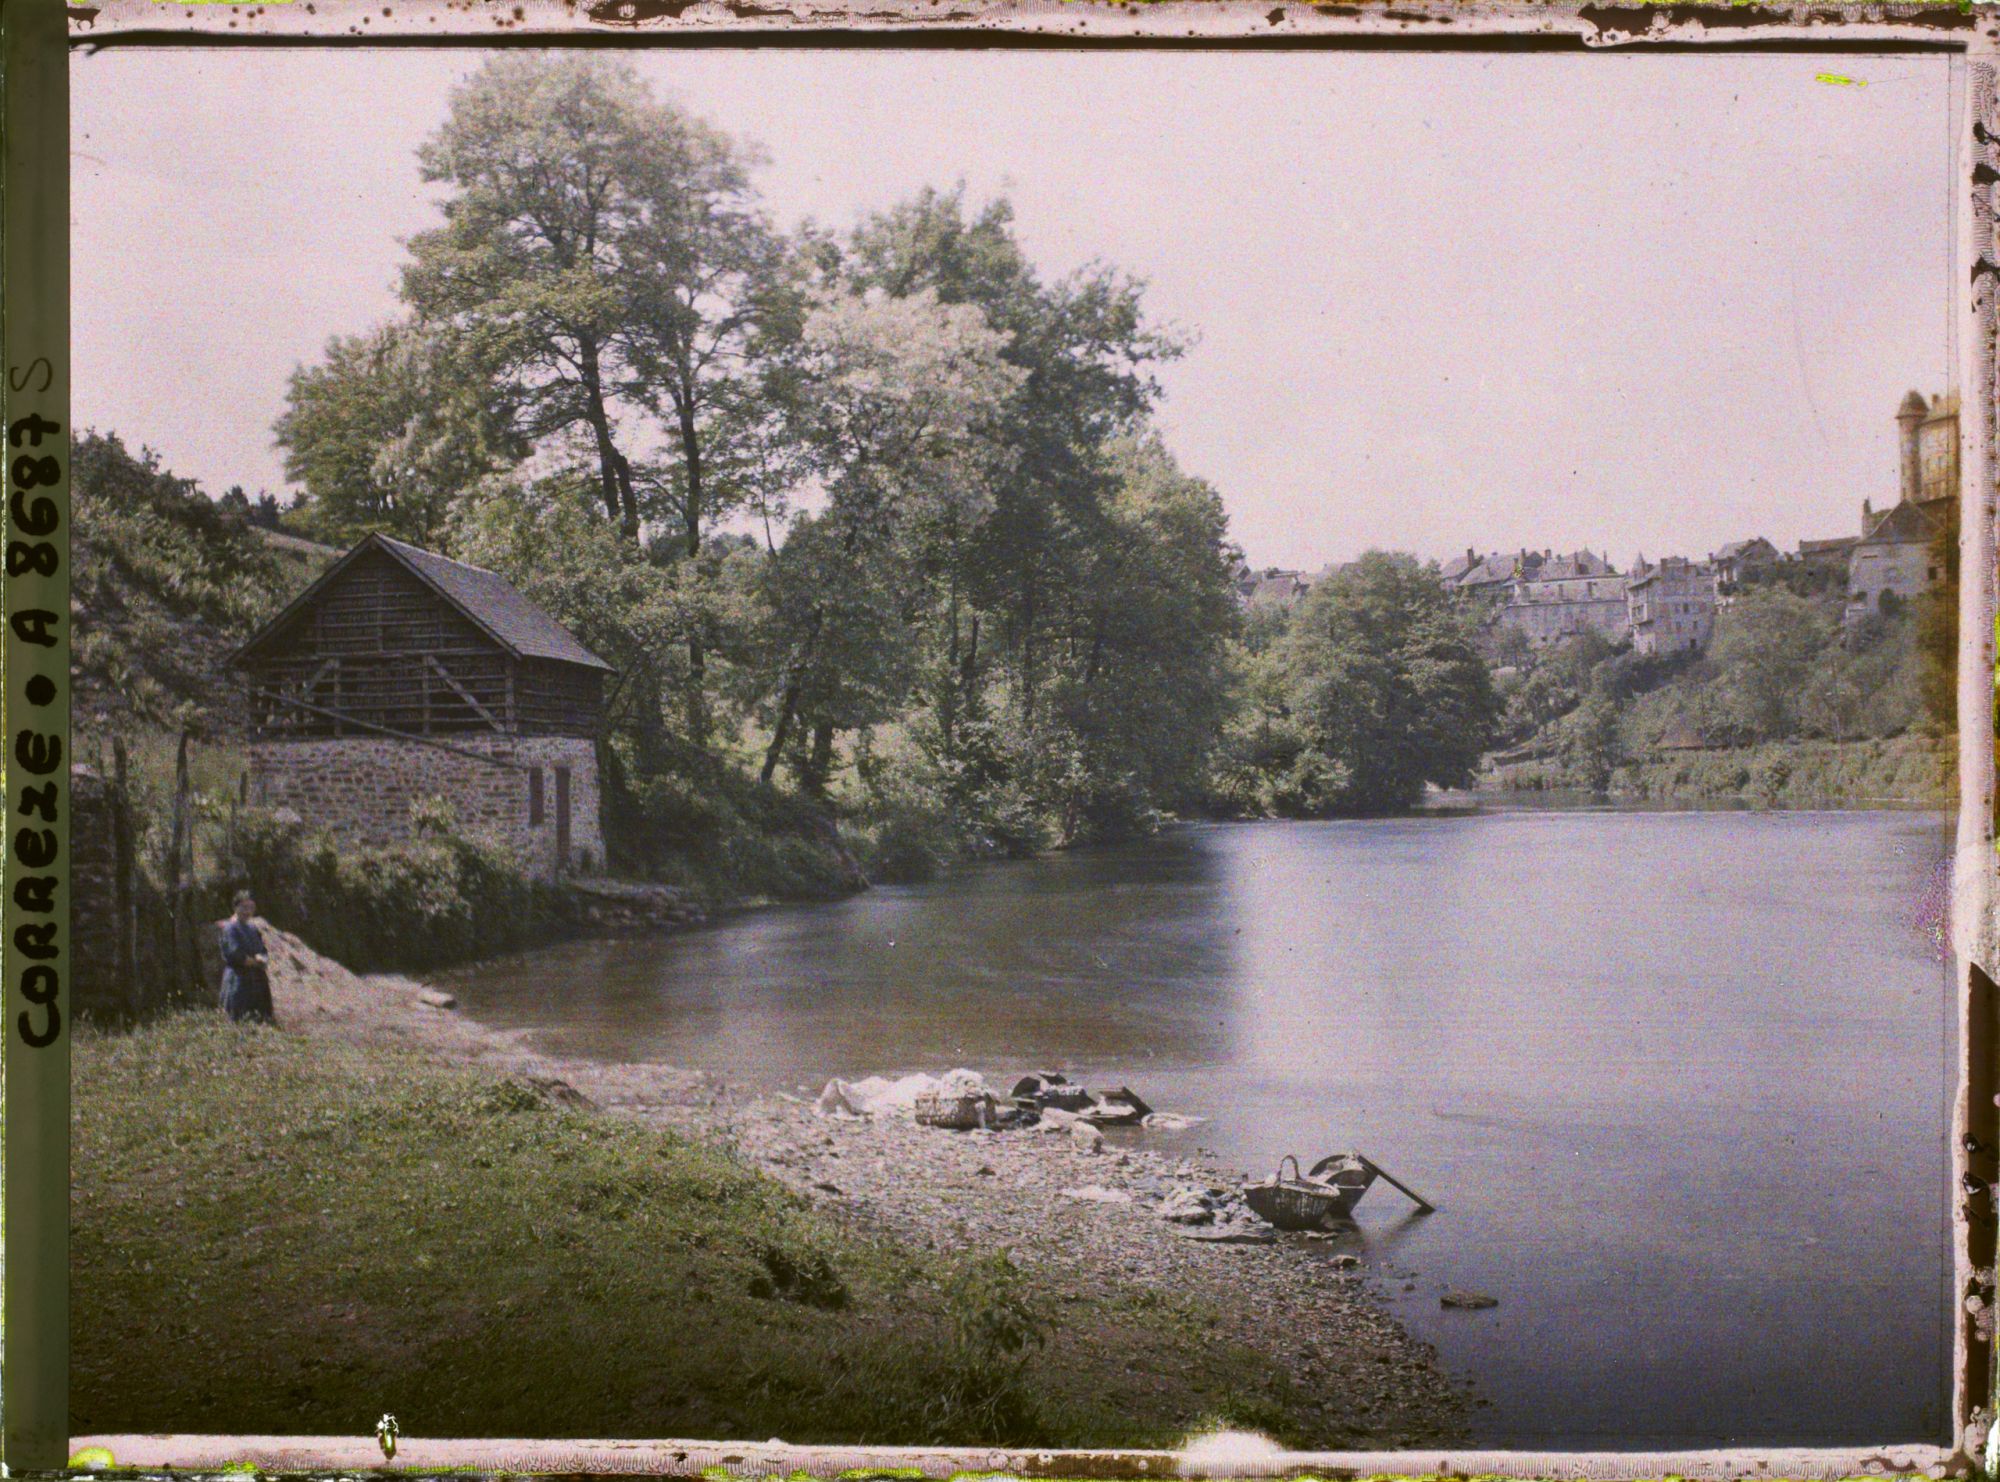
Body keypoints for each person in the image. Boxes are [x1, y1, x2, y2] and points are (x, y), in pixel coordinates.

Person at [219, 891, 276, 1025]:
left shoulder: (252, 928)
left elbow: (262, 949)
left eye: (251, 908)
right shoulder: (230, 929)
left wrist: (262, 958)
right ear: (235, 907)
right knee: (239, 1021)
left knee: (260, 1021)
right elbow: (235, 954)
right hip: (238, 981)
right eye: (244, 907)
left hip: (257, 981)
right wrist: (255, 962)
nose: (248, 911)